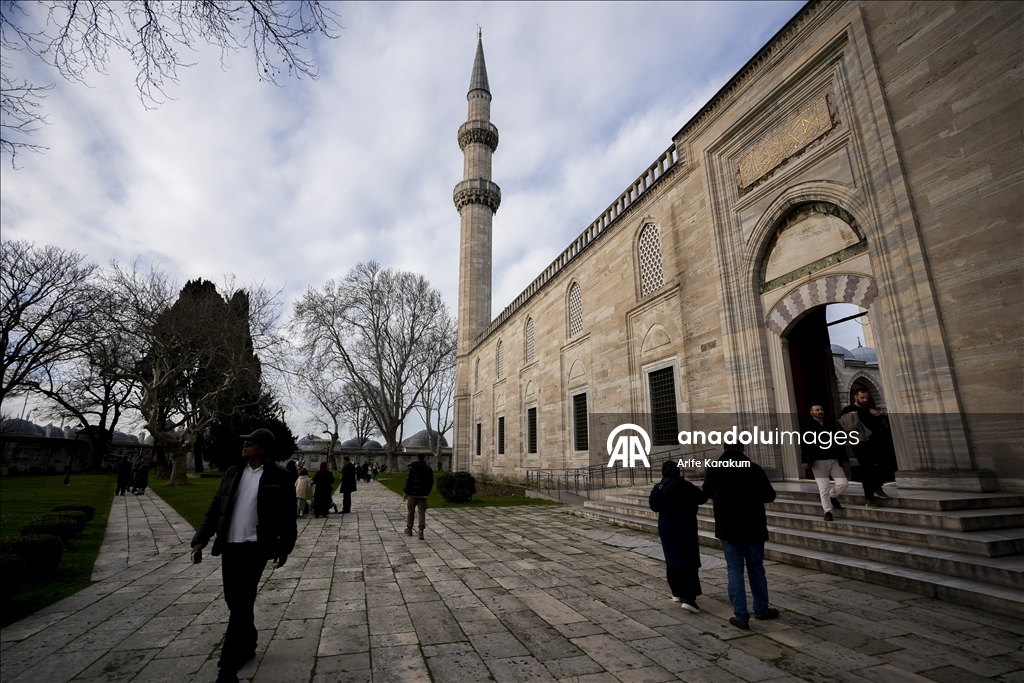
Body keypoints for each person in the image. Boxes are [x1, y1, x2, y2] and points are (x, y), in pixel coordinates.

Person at [190, 428, 296, 683]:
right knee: (233, 601)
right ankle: (248, 644)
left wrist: (284, 547)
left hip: (256, 548)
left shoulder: (280, 476)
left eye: (250, 443)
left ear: (263, 448)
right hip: (231, 546)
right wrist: (202, 537)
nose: (244, 445)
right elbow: (216, 506)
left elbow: (287, 516)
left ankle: (228, 668)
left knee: (239, 604)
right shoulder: (233, 472)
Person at [702, 442, 779, 630]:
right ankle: (761, 609)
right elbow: (769, 495)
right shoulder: (753, 468)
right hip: (753, 526)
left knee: (734, 570)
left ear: (724, 448)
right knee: (756, 569)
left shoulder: (716, 468)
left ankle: (741, 616)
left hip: (728, 527)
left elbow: (706, 493)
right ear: (743, 449)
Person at [649, 460, 708, 613]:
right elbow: (702, 498)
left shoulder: (658, 488)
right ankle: (689, 598)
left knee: (671, 559)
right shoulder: (685, 486)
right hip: (684, 528)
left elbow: (653, 506)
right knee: (689, 562)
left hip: (666, 529)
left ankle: (676, 592)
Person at [840, 388, 889, 508]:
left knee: (885, 465)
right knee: (867, 469)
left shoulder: (870, 408)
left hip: (876, 442)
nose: (865, 400)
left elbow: (881, 425)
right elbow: (846, 425)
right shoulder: (848, 410)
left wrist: (879, 416)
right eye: (862, 397)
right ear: (855, 397)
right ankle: (869, 498)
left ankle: (877, 485)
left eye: (866, 397)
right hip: (860, 444)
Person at [801, 404, 849, 521]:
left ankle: (833, 496)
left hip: (833, 458)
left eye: (821, 409)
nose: (820, 411)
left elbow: (839, 440)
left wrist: (843, 458)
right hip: (818, 461)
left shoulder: (831, 423)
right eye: (817, 410)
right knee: (823, 488)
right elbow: (805, 444)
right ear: (812, 413)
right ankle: (828, 511)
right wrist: (805, 460)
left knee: (843, 483)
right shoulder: (807, 425)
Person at [403, 453, 434, 539]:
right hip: (423, 494)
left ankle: (409, 529)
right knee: (421, 513)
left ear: (417, 458)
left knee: (411, 512)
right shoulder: (428, 469)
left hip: (412, 494)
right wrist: (427, 492)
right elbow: (430, 482)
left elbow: (408, 480)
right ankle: (421, 531)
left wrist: (405, 492)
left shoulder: (412, 468)